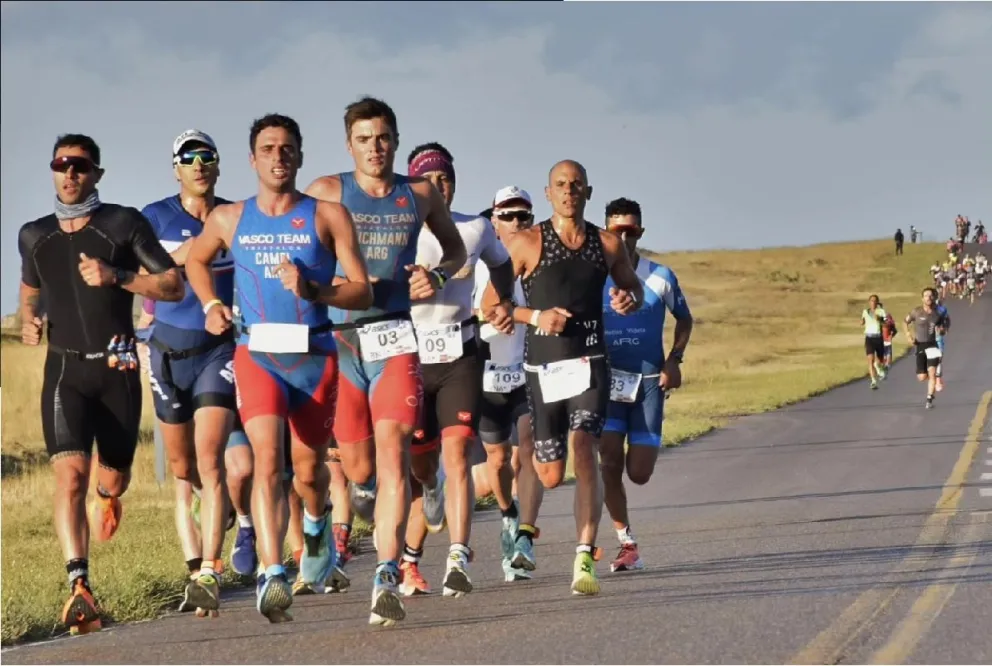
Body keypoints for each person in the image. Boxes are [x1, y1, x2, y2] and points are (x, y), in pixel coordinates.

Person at [185, 114, 373, 623]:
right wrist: (210, 306)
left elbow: (362, 289)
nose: (277, 157)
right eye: (267, 149)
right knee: (268, 464)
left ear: (300, 156)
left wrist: (314, 289)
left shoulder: (328, 215)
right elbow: (196, 261)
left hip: (314, 357)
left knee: (309, 473)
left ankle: (316, 527)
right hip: (257, 356)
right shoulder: (229, 219)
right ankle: (272, 573)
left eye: (286, 148)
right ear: (252, 159)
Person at [303, 97, 467, 625]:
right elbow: (300, 254)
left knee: (394, 454)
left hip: (395, 334)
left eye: (384, 137)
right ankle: (363, 501)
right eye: (365, 138)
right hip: (342, 339)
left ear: (395, 140)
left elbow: (455, 251)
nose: (376, 147)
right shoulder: (327, 193)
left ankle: (387, 574)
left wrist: (436, 277)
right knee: (359, 469)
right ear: (349, 144)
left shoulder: (417, 194)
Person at [17, 133, 184, 634]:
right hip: (65, 373)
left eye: (81, 166)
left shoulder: (122, 223)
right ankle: (79, 586)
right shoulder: (34, 235)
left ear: (97, 174)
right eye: (62, 165)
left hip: (118, 372)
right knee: (69, 478)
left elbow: (172, 285)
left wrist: (118, 277)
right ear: (52, 170)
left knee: (109, 480)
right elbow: (30, 294)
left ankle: (109, 498)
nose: (70, 174)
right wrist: (30, 320)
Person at [479, 160, 643, 596]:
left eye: (576, 185)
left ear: (588, 193)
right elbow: (490, 305)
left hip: (591, 361)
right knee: (550, 473)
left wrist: (629, 298)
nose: (569, 191)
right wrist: (534, 316)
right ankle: (521, 515)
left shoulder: (607, 244)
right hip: (544, 370)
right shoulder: (526, 242)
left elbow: (633, 287)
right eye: (560, 185)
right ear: (548, 193)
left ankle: (584, 554)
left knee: (584, 446)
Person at [398, 144, 517, 598]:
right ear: (415, 186)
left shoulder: (476, 227)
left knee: (457, 454)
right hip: (410, 360)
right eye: (429, 179)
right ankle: (428, 498)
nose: (440, 185)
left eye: (445, 177)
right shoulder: (399, 234)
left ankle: (457, 557)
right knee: (424, 468)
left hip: (461, 357)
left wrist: (503, 303)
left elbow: (502, 267)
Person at [136, 129, 243, 614]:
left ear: (218, 167)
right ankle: (196, 557)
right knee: (184, 470)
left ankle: (206, 571)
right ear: (175, 168)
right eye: (188, 158)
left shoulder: (235, 216)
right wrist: (185, 255)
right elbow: (133, 278)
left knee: (212, 461)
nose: (198, 165)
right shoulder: (153, 218)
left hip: (217, 352)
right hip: (165, 352)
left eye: (207, 157)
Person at [599, 198, 693, 573]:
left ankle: (623, 525)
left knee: (638, 472)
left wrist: (675, 359)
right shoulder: (595, 277)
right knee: (607, 461)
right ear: (606, 231)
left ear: (640, 232)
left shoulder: (660, 276)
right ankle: (625, 541)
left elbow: (685, 320)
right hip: (607, 385)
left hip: (649, 384)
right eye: (616, 230)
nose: (623, 236)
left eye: (631, 230)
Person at [473, 188, 547, 583]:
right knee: (498, 461)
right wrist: (489, 317)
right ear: (494, 220)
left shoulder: (535, 262)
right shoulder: (478, 263)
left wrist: (520, 315)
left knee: (529, 450)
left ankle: (525, 537)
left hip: (527, 372)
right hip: (487, 375)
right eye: (509, 215)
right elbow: (460, 310)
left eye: (525, 216)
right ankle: (507, 516)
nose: (518, 223)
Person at [903, 288, 949, 410]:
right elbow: (905, 322)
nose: (928, 297)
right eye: (925, 296)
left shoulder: (938, 313)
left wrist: (943, 331)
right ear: (922, 298)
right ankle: (933, 379)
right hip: (920, 345)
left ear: (934, 298)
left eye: (930, 296)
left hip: (932, 345)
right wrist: (908, 335)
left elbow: (944, 326)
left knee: (932, 373)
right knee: (922, 377)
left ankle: (929, 399)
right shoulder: (916, 312)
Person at [860, 295, 888, 389]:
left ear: (877, 302)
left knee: (880, 360)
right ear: (869, 302)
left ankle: (877, 366)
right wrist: (861, 322)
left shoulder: (881, 311)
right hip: (869, 338)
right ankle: (873, 381)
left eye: (875, 301)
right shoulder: (865, 311)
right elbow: (863, 321)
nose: (873, 302)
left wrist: (879, 319)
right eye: (871, 301)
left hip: (878, 338)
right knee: (870, 360)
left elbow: (886, 323)